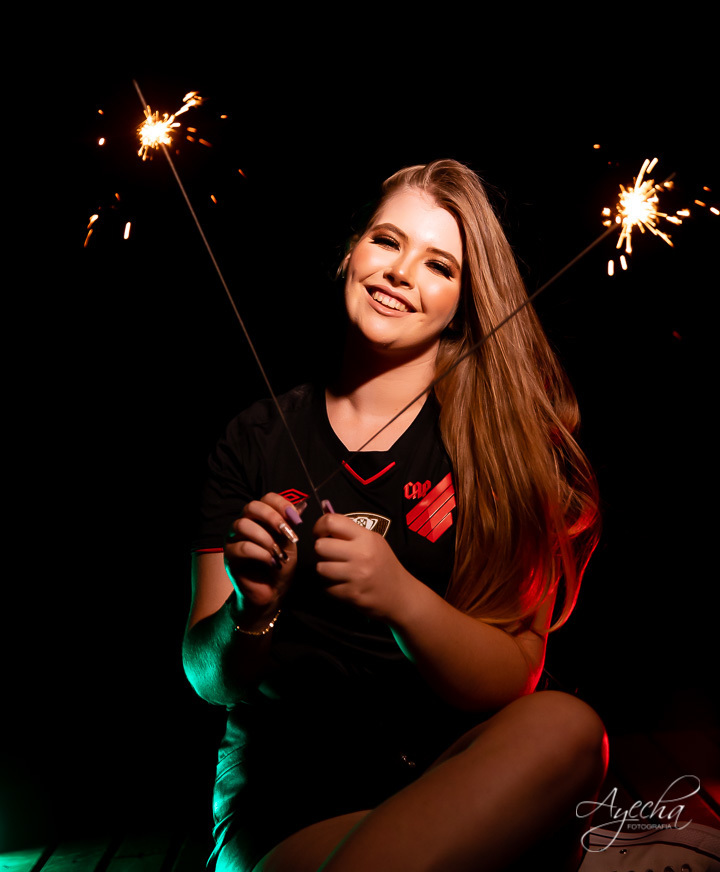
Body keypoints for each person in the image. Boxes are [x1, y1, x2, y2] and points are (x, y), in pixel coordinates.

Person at [183, 159, 608, 871]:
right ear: (351, 252)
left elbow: (515, 675)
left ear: (464, 301)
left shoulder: (500, 447)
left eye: (439, 264)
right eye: (387, 242)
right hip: (289, 805)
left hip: (460, 781)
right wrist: (248, 611)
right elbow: (208, 678)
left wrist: (399, 597)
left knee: (568, 726)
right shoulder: (253, 438)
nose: (401, 273)